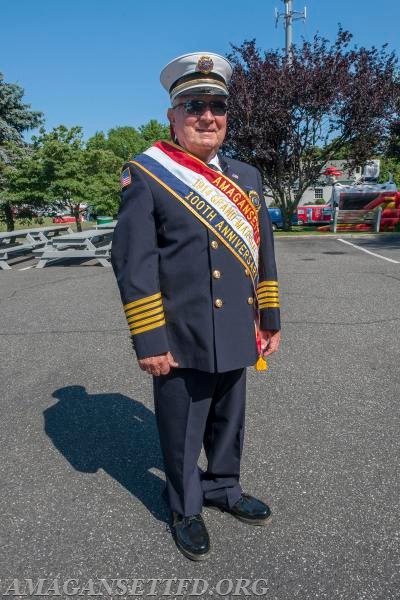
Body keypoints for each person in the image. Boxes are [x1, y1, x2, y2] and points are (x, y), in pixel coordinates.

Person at [111, 52, 281, 561]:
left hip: (234, 325)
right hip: (180, 331)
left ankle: (223, 487)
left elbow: (264, 253)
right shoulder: (147, 173)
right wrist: (150, 340)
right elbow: (133, 262)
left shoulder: (247, 176)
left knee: (230, 418)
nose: (207, 116)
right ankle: (185, 505)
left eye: (217, 105)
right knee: (183, 426)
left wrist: (269, 319)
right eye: (193, 105)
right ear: (173, 114)